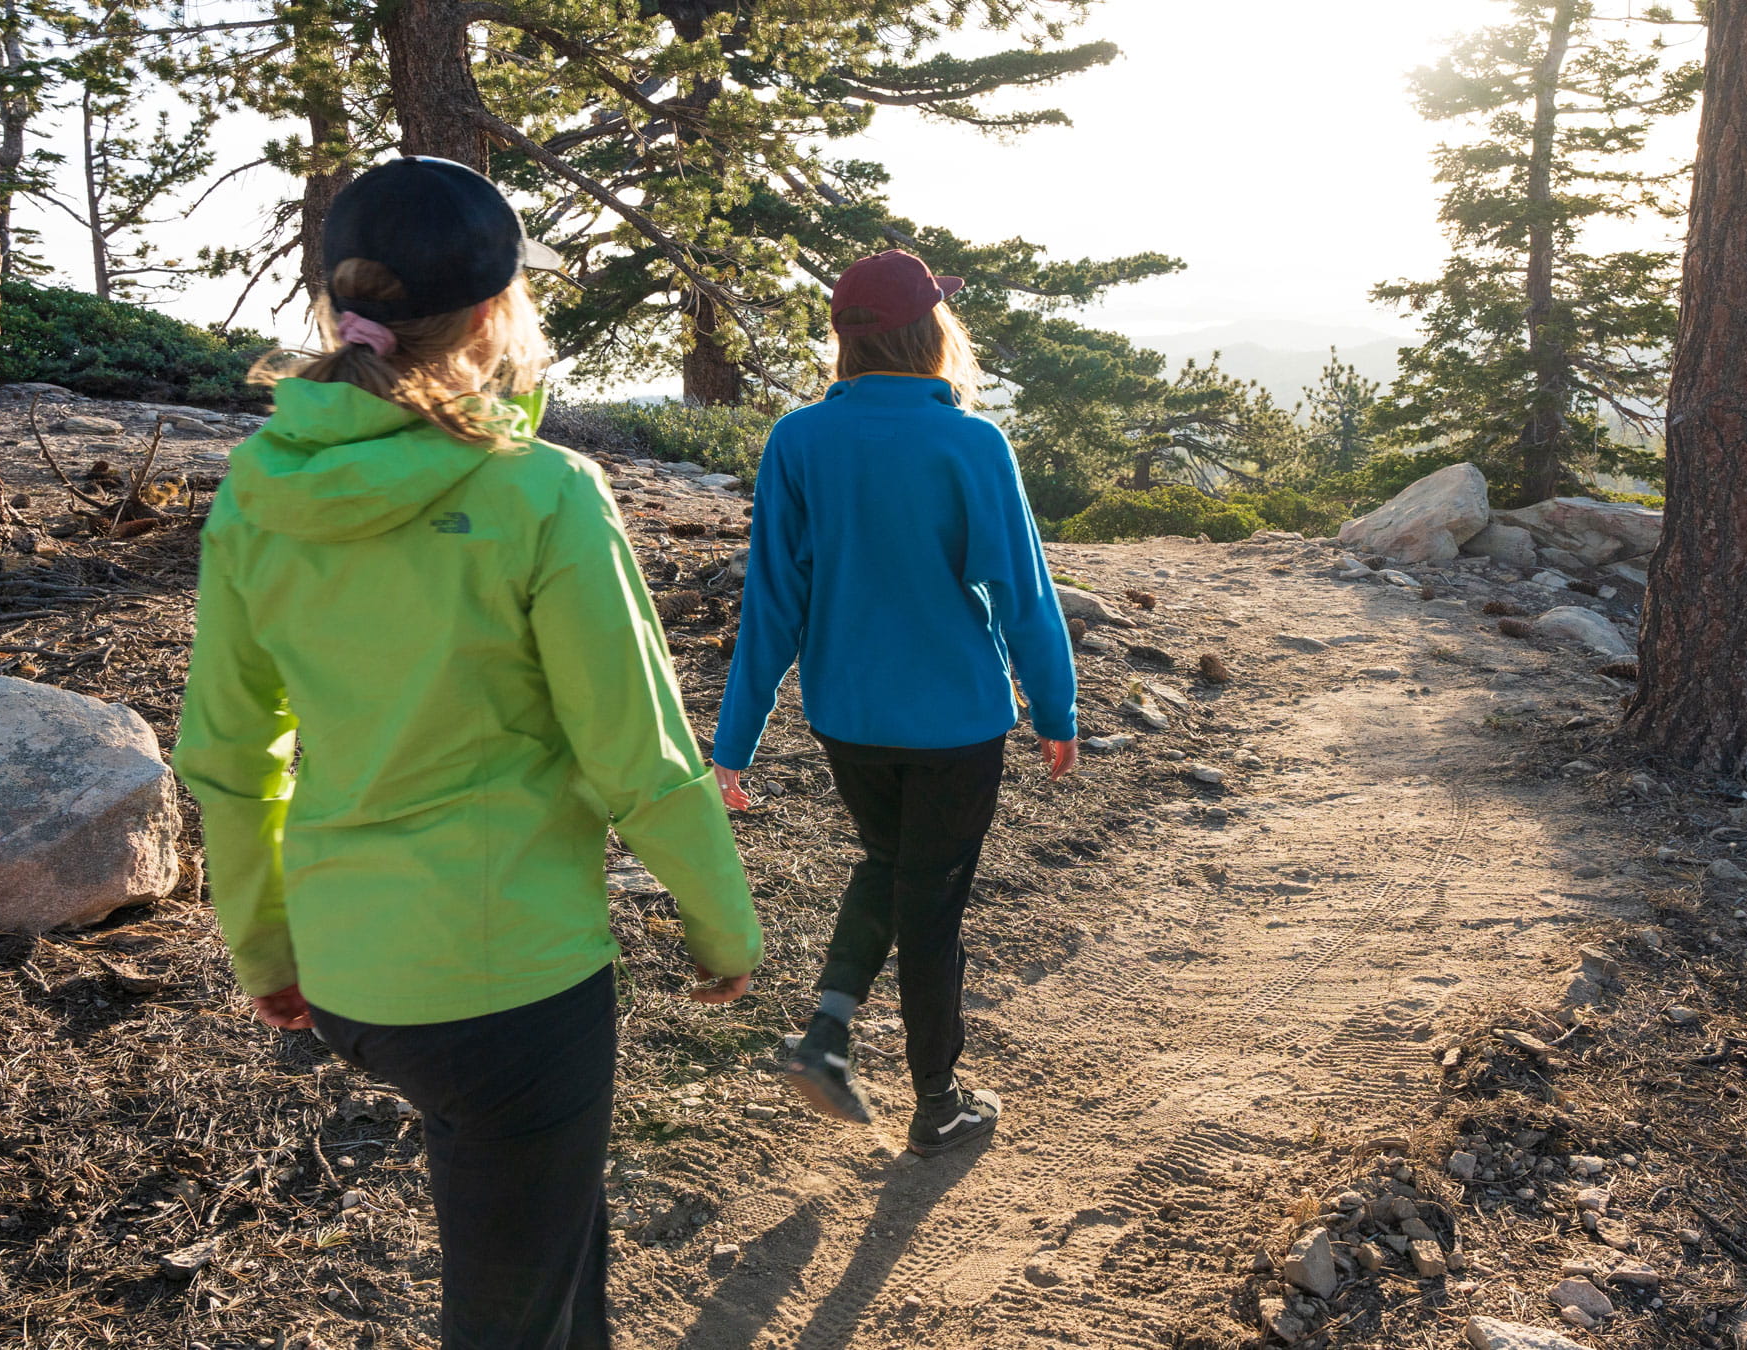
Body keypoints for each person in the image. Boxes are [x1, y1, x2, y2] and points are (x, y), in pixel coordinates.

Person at [174, 156, 762, 1350]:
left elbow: (232, 753)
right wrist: (723, 926)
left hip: (347, 972)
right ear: (499, 312)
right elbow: (634, 751)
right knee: (515, 1302)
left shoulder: (259, 486)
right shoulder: (541, 492)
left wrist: (264, 944)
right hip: (510, 982)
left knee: (550, 1253)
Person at [711, 248, 1078, 1157]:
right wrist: (1056, 709)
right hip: (956, 717)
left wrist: (735, 738)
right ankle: (937, 1098)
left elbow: (772, 604)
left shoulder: (798, 440)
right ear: (931, 331)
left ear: (845, 342)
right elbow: (1023, 595)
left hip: (847, 715)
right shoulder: (971, 442)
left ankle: (827, 1036)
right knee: (932, 902)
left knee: (889, 862)